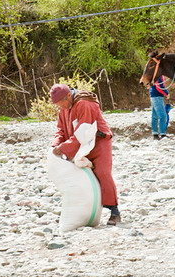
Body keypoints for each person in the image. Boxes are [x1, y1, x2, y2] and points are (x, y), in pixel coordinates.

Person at [49, 83, 121, 226]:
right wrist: (55, 145)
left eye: (61, 103)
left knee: (102, 173)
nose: (60, 107)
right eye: (57, 105)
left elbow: (84, 132)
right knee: (80, 176)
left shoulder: (85, 104)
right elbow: (61, 130)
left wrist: (65, 148)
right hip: (78, 143)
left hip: (99, 141)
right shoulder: (63, 108)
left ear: (69, 96)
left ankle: (114, 211)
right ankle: (86, 211)